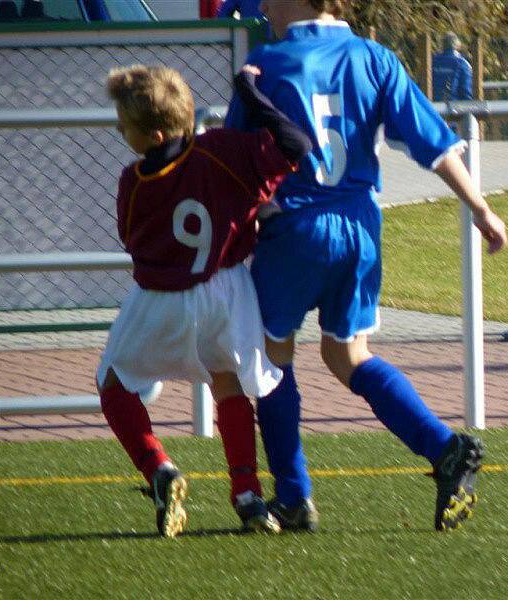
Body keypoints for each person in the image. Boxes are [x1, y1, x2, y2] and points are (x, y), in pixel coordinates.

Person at [225, 0, 508, 532]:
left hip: (295, 230)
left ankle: (294, 496)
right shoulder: (374, 57)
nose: (262, 4)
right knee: (347, 355)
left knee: (270, 357)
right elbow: (436, 145)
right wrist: (481, 208)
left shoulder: (267, 62)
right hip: (359, 229)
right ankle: (445, 448)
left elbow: (237, 160)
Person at [99, 63, 312, 537]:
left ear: (154, 135)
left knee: (113, 384)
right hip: (226, 289)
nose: (119, 130)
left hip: (161, 297)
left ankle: (159, 469)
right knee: (228, 383)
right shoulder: (221, 150)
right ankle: (249, 496)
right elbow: (294, 145)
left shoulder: (133, 181)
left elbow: (132, 239)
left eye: (125, 125)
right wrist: (249, 92)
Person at [432, 31, 473, 102]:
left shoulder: (432, 61)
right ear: (457, 44)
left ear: (442, 44)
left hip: (432, 105)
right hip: (454, 106)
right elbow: (466, 90)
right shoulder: (462, 63)